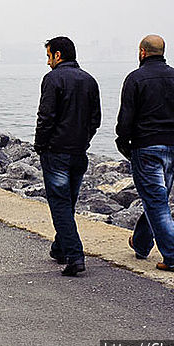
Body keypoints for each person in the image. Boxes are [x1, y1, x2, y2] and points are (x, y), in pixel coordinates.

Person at [116, 34, 174, 272]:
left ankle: (173, 257)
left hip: (146, 147)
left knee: (156, 203)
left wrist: (123, 140)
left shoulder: (135, 79)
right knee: (157, 200)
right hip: (173, 148)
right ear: (162, 52)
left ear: (142, 52)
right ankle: (140, 243)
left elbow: (126, 119)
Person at [35, 36, 101, 277]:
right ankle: (60, 247)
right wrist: (84, 140)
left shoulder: (52, 79)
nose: (48, 62)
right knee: (68, 201)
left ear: (58, 55)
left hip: (57, 153)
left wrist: (40, 145)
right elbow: (96, 119)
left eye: (49, 56)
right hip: (79, 152)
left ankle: (74, 255)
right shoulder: (89, 80)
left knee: (60, 204)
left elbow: (46, 117)